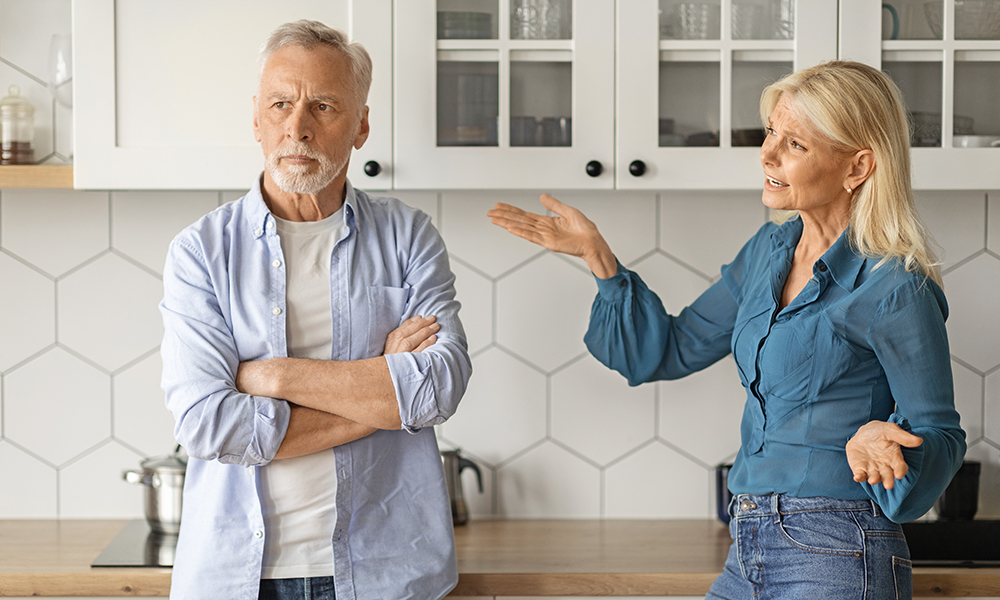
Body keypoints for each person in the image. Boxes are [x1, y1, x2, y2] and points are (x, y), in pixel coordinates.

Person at [488, 61, 965, 599]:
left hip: (839, 549)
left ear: (857, 167)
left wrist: (881, 436)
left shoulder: (892, 285)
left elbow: (941, 434)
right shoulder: (769, 253)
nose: (766, 154)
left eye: (795, 145)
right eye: (770, 133)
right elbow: (667, 351)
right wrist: (599, 258)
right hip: (750, 542)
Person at [160, 20, 471, 600]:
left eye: (323, 106)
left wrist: (273, 376)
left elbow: (439, 388)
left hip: (389, 570)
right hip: (236, 577)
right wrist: (384, 396)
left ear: (361, 127)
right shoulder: (200, 252)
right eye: (280, 104)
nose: (297, 127)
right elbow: (207, 423)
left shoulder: (408, 237)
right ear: (256, 118)